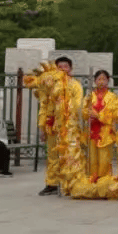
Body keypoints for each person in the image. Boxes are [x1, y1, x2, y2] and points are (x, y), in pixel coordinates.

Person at [39, 56, 83, 195]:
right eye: (60, 67)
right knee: (52, 154)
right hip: (52, 124)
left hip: (69, 125)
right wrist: (42, 125)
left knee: (69, 154)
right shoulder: (49, 85)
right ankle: (52, 183)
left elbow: (78, 104)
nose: (63, 70)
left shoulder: (75, 85)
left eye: (66, 67)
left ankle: (70, 182)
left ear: (70, 69)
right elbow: (44, 105)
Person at [83, 70, 117, 181]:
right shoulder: (90, 96)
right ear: (95, 81)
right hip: (91, 130)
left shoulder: (112, 97)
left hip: (105, 131)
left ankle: (104, 180)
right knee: (92, 158)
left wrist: (97, 115)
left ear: (108, 81)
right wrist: (87, 113)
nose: (101, 82)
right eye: (99, 79)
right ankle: (92, 178)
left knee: (104, 158)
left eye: (104, 79)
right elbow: (83, 111)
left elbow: (112, 113)